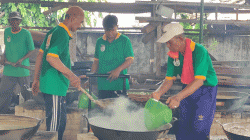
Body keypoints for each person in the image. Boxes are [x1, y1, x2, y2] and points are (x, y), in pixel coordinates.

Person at [151, 23, 218, 140]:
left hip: (205, 90)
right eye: (166, 43)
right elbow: (169, 79)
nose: (167, 45)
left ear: (180, 39)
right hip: (187, 88)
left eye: (169, 42)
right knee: (183, 126)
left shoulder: (199, 51)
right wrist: (158, 92)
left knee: (199, 127)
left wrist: (177, 97)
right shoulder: (173, 55)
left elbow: (199, 81)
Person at [31, 6, 83, 140]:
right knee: (53, 128)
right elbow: (51, 57)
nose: (80, 25)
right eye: (80, 21)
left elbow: (40, 56)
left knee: (60, 122)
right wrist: (72, 75)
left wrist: (36, 79)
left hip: (54, 86)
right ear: (72, 18)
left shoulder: (53, 32)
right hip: (55, 86)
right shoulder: (62, 34)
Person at [82, 15, 134, 99]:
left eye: (112, 30)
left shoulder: (125, 40)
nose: (110, 33)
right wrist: (90, 78)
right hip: (103, 84)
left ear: (117, 27)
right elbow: (96, 61)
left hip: (120, 83)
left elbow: (130, 60)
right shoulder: (100, 41)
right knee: (102, 110)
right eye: (107, 30)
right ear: (104, 29)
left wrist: (118, 70)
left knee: (120, 111)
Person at [0, 11, 35, 113]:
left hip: (22, 70)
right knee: (3, 94)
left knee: (27, 94)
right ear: (9, 21)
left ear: (20, 21)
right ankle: (2, 116)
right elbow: (6, 47)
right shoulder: (7, 31)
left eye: (16, 20)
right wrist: (3, 57)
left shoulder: (26, 33)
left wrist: (21, 60)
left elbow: (32, 50)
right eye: (12, 20)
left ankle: (31, 115)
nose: (14, 22)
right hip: (9, 70)